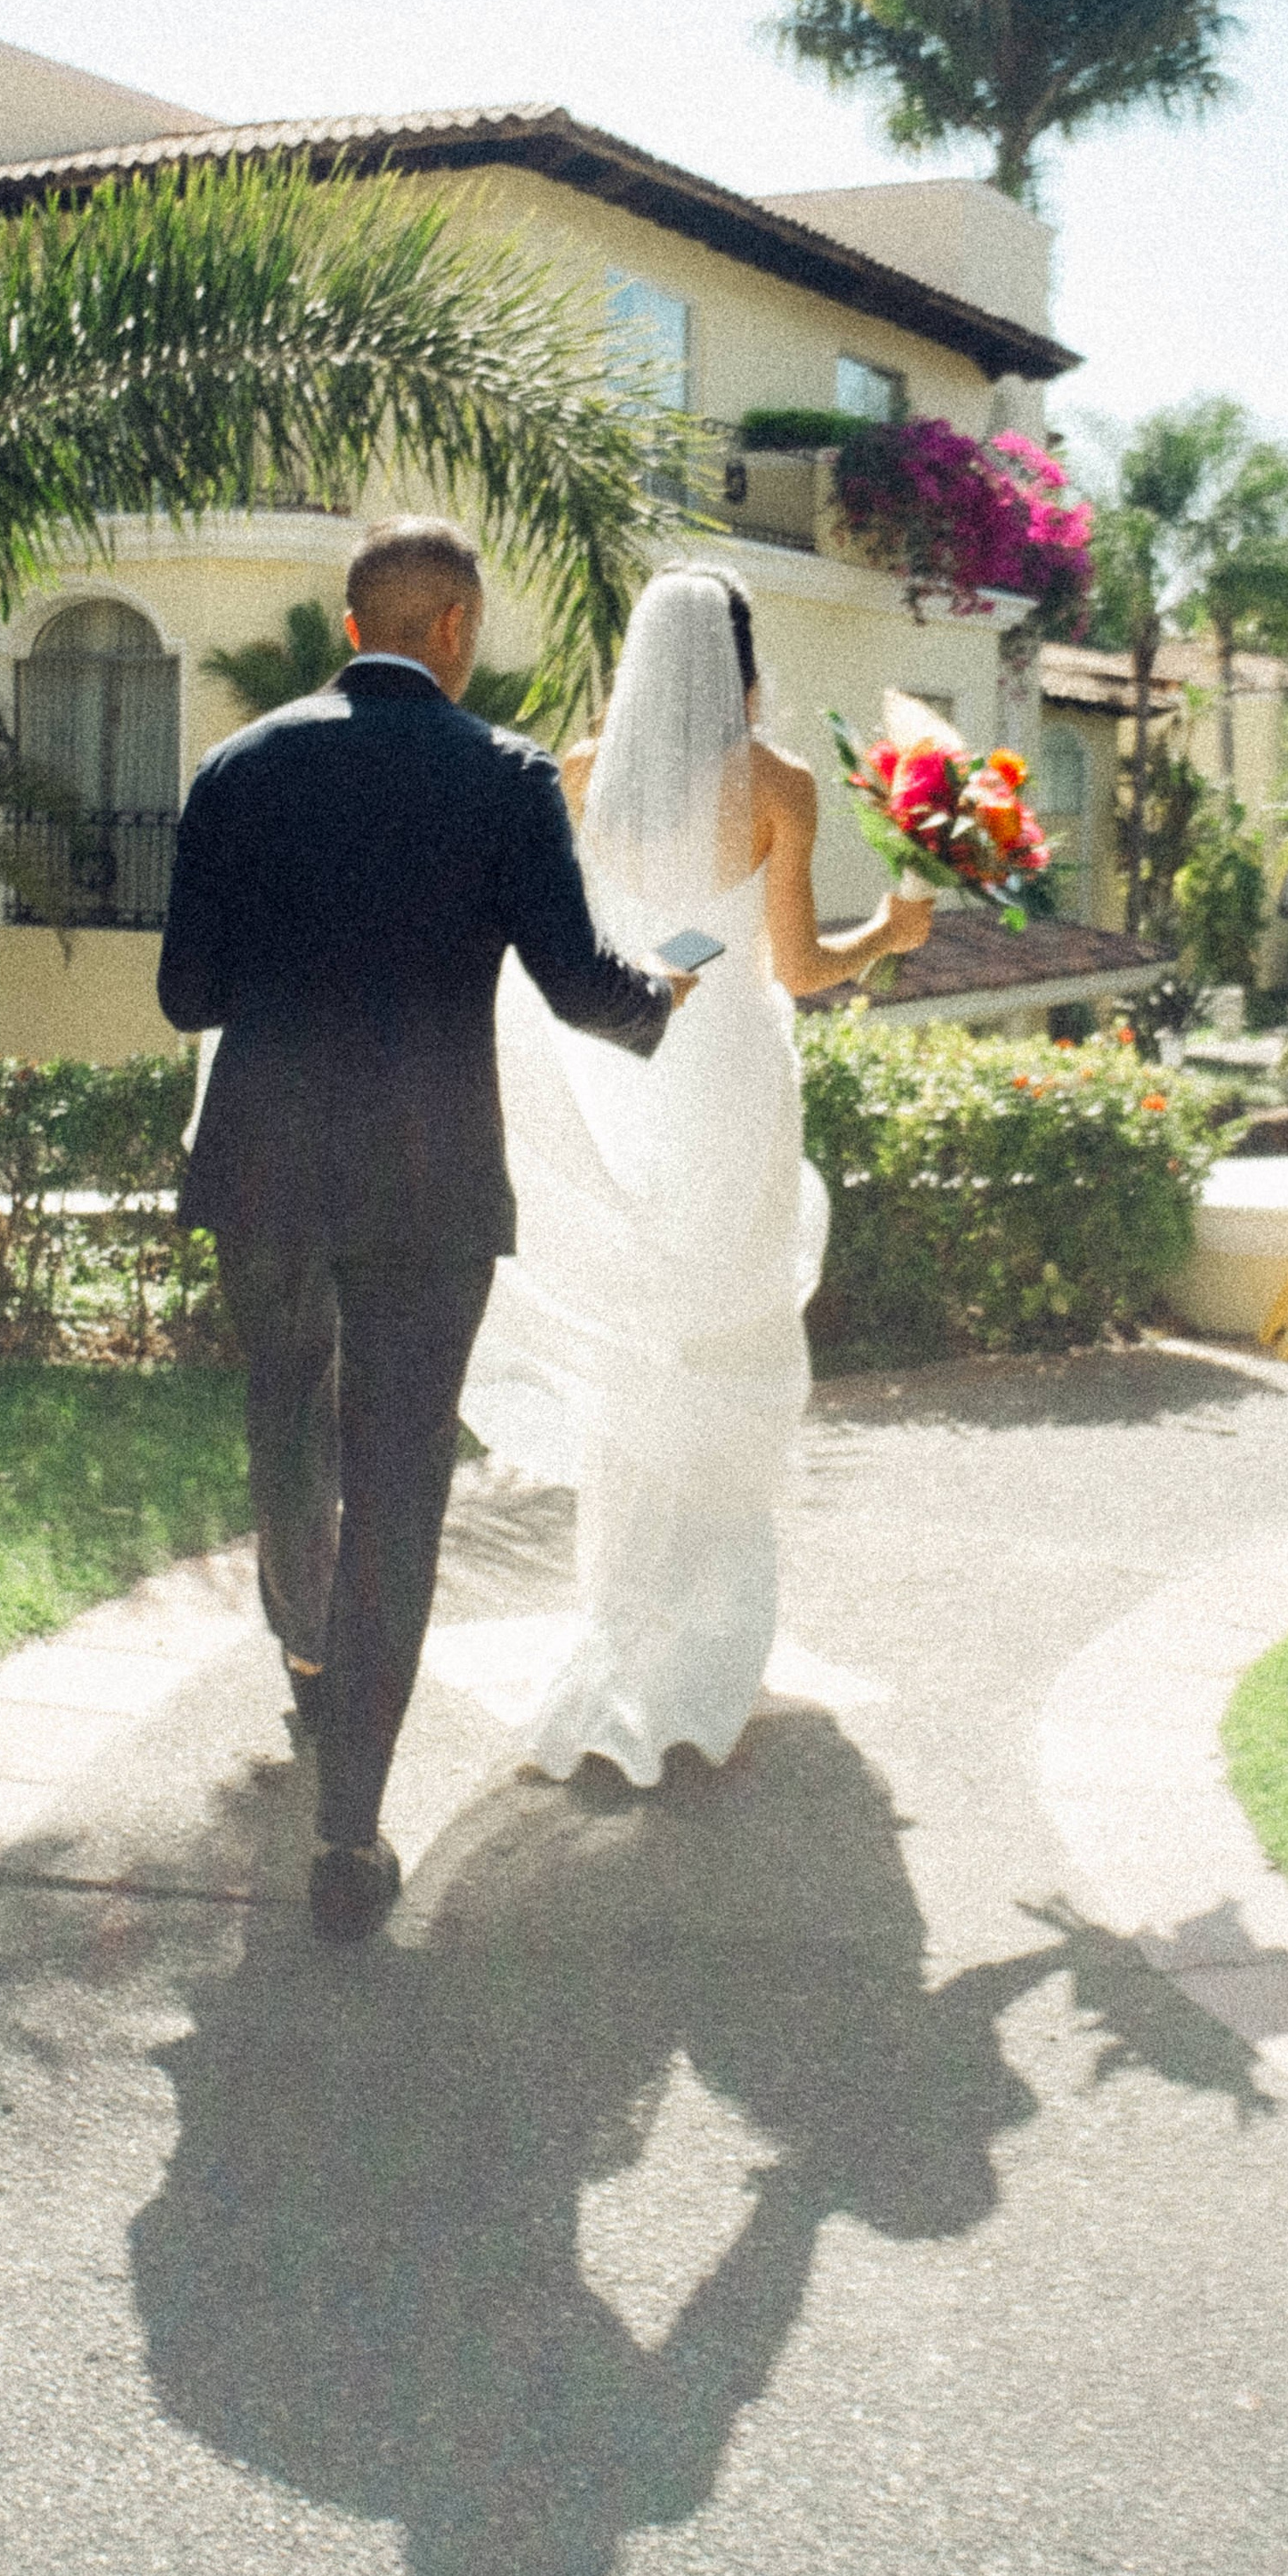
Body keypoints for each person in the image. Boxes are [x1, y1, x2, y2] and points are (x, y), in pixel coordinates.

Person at [156, 517, 692, 1944]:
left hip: (265, 1165)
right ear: (454, 628)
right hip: (426, 1180)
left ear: (351, 627)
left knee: (287, 1424)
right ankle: (349, 1836)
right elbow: (582, 987)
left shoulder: (239, 766)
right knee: (398, 1484)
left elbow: (187, 998)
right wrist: (662, 998)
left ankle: (305, 1654)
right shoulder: (504, 774)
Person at [453, 562, 933, 1784]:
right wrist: (893, 931)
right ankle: (704, 1643)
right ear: (735, 658)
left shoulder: (575, 775)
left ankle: (623, 1621)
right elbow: (800, 965)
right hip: (722, 1084)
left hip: (624, 1075)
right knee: (721, 1341)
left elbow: (613, 951)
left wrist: (676, 964)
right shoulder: (777, 784)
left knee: (641, 1350)